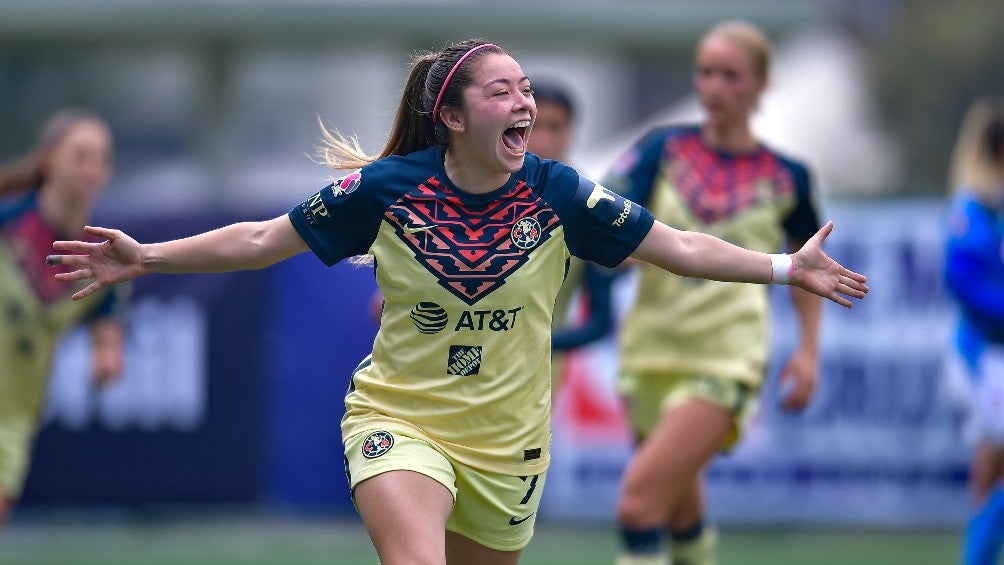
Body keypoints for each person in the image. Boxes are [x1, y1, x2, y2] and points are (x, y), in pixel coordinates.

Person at [46, 39, 867, 565]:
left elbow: (681, 247)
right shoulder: (384, 189)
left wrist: (784, 267)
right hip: (398, 419)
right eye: (504, 92)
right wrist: (146, 254)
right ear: (452, 115)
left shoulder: (561, 193)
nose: (526, 105)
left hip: (507, 446)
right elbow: (264, 240)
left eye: (526, 91)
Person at [595, 21, 826, 564]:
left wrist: (809, 351)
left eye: (730, 75)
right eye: (705, 72)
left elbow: (806, 269)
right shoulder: (661, 149)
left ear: (761, 84)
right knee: (678, 510)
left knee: (637, 505)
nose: (714, 86)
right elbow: (603, 225)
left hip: (725, 359)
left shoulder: (787, 176)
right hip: (649, 351)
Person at [0, 110, 127, 529]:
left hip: (13, 421)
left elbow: (108, 342)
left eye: (102, 159)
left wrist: (107, 359)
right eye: (80, 156)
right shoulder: (5, 226)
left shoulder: (103, 260)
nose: (92, 170)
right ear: (50, 159)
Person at [943, 97, 1004, 565]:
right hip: (984, 356)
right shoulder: (975, 208)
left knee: (991, 469)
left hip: (992, 355)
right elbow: (963, 283)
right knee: (992, 467)